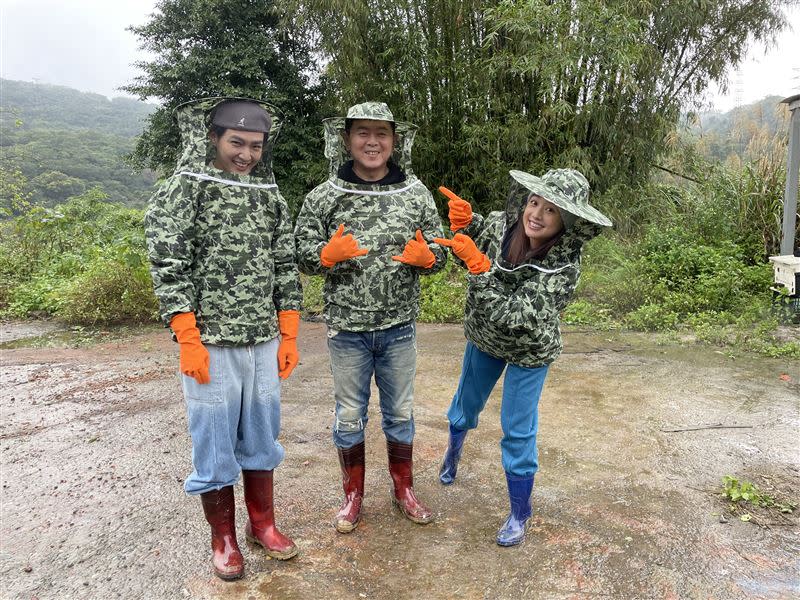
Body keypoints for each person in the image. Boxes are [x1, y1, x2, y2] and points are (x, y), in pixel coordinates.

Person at [144, 97, 302, 580]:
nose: (247, 154)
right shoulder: (182, 189)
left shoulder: (268, 192)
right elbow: (169, 264)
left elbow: (284, 262)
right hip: (209, 342)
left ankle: (262, 524)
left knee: (260, 434)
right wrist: (187, 336)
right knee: (213, 442)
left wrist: (290, 330)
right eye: (237, 143)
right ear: (212, 138)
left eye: (255, 146)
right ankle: (224, 538)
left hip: (261, 340)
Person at [433, 169, 612, 546]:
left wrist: (479, 269)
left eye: (551, 210)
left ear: (568, 221)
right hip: (484, 338)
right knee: (465, 405)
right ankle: (453, 452)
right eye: (534, 202)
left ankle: (519, 512)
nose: (537, 214)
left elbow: (515, 315)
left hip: (530, 351)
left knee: (517, 428)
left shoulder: (564, 268)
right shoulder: (507, 225)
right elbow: (482, 234)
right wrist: (469, 222)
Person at [294, 102, 446, 533]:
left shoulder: (415, 194)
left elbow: (440, 255)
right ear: (346, 139)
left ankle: (404, 491)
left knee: (399, 413)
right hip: (347, 330)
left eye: (381, 133)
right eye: (362, 132)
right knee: (348, 416)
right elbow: (301, 255)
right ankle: (353, 496)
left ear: (395, 140)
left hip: (399, 327)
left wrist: (428, 258)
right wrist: (324, 255)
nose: (372, 141)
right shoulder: (323, 197)